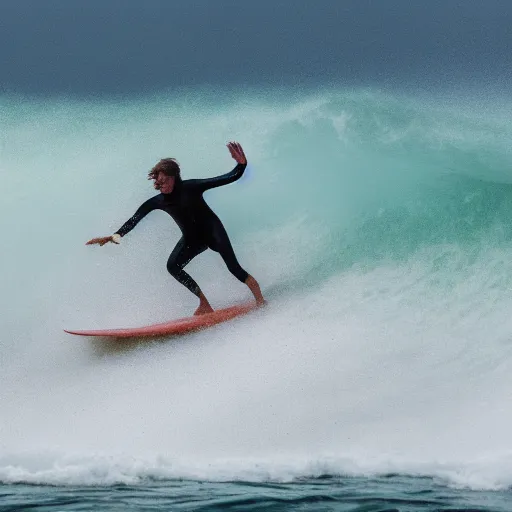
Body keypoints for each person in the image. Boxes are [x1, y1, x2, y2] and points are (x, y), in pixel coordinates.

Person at [86, 142, 265, 315]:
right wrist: (114, 235)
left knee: (234, 268)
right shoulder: (158, 201)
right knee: (173, 266)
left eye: (163, 181)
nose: (159, 185)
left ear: (173, 176)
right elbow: (134, 220)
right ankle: (204, 304)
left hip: (213, 232)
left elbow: (228, 177)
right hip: (192, 239)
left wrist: (241, 165)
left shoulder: (192, 187)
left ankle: (261, 302)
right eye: (157, 182)